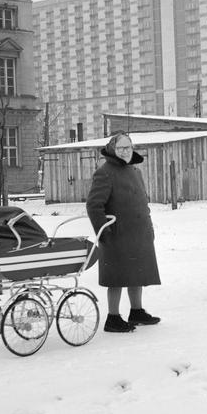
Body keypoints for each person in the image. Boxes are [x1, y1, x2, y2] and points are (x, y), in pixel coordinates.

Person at [86, 131, 161, 332]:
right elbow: (94, 205)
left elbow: (142, 203)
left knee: (136, 273)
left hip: (139, 234)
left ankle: (136, 311)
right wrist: (103, 231)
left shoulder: (135, 171)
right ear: (112, 150)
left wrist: (149, 227)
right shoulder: (105, 172)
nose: (125, 151)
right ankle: (113, 317)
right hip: (116, 235)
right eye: (120, 148)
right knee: (117, 277)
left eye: (128, 147)